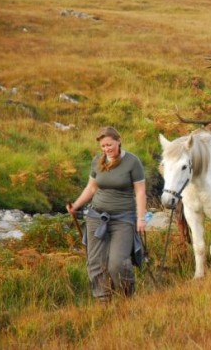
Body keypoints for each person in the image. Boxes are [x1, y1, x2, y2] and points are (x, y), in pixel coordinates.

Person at [66, 126, 147, 302]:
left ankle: (127, 298)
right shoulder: (98, 160)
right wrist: (77, 205)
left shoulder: (132, 162)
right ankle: (103, 301)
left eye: (109, 144)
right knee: (95, 262)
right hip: (96, 217)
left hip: (123, 219)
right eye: (103, 146)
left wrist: (141, 218)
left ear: (118, 141)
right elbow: (92, 187)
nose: (106, 149)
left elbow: (140, 192)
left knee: (117, 263)